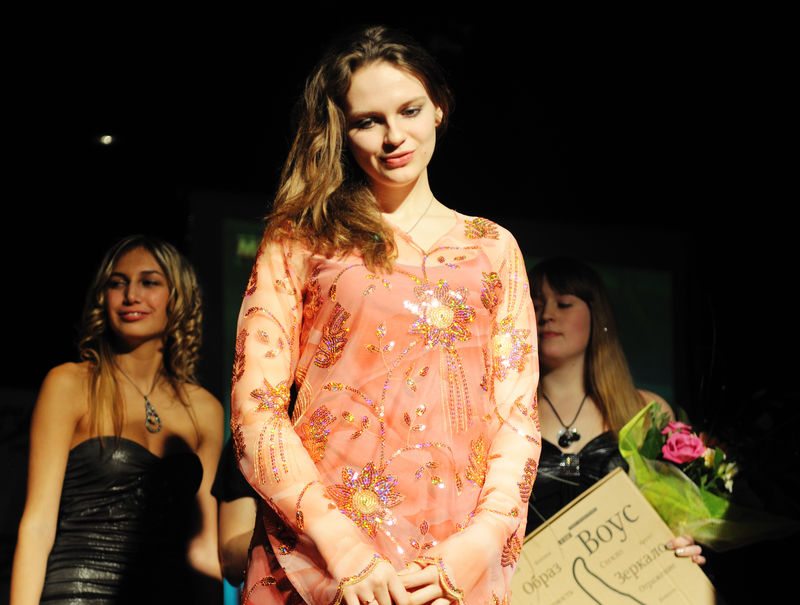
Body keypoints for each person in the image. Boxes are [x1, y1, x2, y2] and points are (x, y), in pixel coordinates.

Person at [230, 25, 540, 604]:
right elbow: (256, 409)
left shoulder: (493, 248)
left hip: (451, 565)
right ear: (341, 131)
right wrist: (341, 547)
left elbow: (517, 418)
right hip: (323, 559)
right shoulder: (301, 237)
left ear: (439, 108)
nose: (394, 136)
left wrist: (481, 542)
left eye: (410, 110)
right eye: (368, 121)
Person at [11, 235, 225, 604]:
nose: (131, 295)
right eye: (117, 283)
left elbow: (203, 548)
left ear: (178, 298)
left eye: (149, 282)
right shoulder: (70, 384)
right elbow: (37, 525)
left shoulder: (205, 409)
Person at [525, 256, 704, 564]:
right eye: (536, 305)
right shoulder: (503, 418)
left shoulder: (646, 411)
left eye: (564, 304)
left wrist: (685, 543)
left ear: (597, 316)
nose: (547, 315)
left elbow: (677, 517)